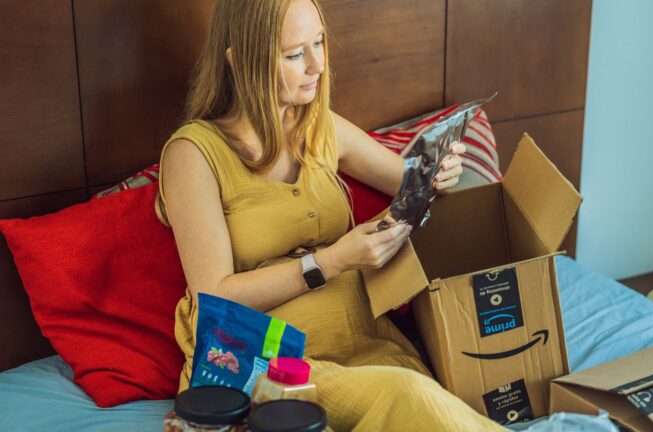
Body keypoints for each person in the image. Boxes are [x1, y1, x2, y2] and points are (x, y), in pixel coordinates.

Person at [158, 0, 503, 430]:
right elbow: (215, 296)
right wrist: (334, 259)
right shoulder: (193, 154)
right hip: (269, 361)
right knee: (409, 398)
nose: (318, 64)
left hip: (370, 344)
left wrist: (439, 172)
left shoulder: (321, 126)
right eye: (294, 54)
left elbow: (410, 180)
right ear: (240, 60)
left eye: (319, 42)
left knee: (425, 397)